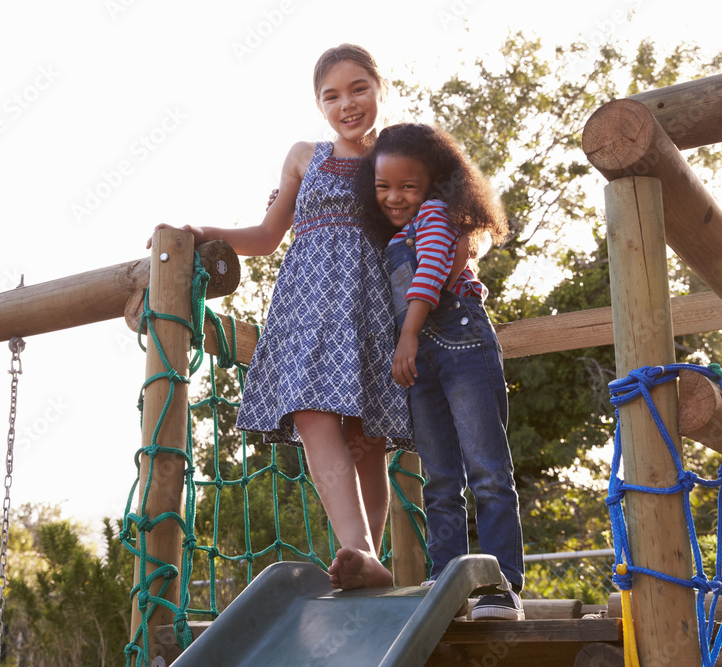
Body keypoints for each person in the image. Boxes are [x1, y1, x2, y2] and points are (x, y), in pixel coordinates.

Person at [148, 44, 409, 590]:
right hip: (307, 303)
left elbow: (422, 221)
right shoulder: (303, 156)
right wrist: (203, 233)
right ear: (319, 106)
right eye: (331, 95)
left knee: (368, 438)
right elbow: (268, 237)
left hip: (369, 303)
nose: (347, 104)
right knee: (313, 415)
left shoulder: (400, 154)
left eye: (359, 88)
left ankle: (372, 562)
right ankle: (357, 549)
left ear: (380, 89)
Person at [355, 123, 526, 620]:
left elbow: (430, 270)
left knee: (488, 470)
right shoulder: (393, 235)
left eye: (408, 185)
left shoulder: (436, 215)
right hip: (421, 362)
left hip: (459, 341)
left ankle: (501, 585)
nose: (395, 197)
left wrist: (407, 335)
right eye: (384, 186)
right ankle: (445, 579)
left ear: (434, 184)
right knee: (438, 478)